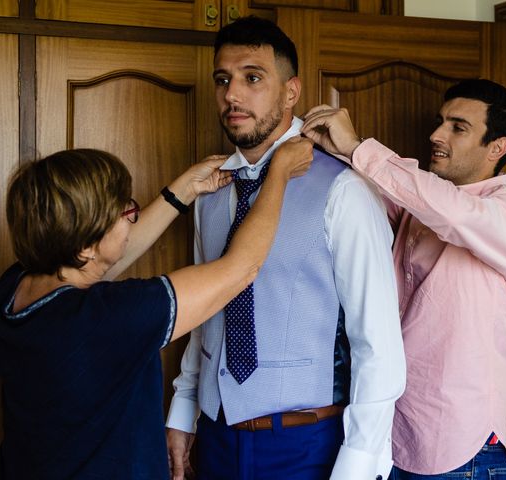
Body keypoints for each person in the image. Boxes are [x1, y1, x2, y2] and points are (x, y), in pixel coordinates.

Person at [165, 15, 406, 480]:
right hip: (215, 437)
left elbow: (377, 343)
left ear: (291, 91)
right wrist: (183, 408)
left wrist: (357, 466)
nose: (232, 95)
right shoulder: (209, 191)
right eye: (223, 80)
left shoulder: (345, 191)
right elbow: (204, 311)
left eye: (252, 78)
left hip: (307, 445)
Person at [0, 141, 312, 480]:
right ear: (85, 246)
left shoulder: (15, 288)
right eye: (124, 212)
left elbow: (103, 259)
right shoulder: (113, 316)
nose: (131, 220)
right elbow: (241, 268)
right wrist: (278, 173)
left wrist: (184, 190)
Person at [301, 79, 506, 480]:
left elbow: (453, 215)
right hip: (395, 439)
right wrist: (332, 149)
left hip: (463, 451)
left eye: (457, 127)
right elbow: (370, 192)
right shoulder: (419, 207)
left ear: (497, 147)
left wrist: (360, 147)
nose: (436, 135)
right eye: (440, 122)